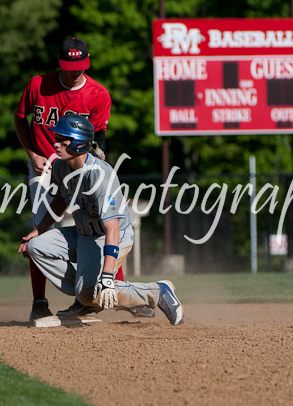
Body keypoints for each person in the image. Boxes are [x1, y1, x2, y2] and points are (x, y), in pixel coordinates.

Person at [14, 37, 152, 321]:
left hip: (78, 164)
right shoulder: (38, 85)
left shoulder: (98, 94)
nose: (75, 71)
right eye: (70, 66)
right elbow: (19, 117)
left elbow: (99, 140)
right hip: (43, 165)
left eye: (81, 65)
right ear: (59, 62)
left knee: (102, 222)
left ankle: (118, 293)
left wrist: (100, 176)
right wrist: (32, 155)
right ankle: (40, 302)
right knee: (40, 229)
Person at [17, 115, 184, 325]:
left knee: (90, 290)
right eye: (57, 138)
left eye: (62, 140)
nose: (56, 144)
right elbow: (60, 200)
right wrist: (39, 229)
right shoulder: (60, 167)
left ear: (79, 144)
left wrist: (106, 276)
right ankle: (87, 296)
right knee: (36, 246)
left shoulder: (99, 175)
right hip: (84, 234)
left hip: (114, 235)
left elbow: (112, 229)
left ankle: (157, 292)